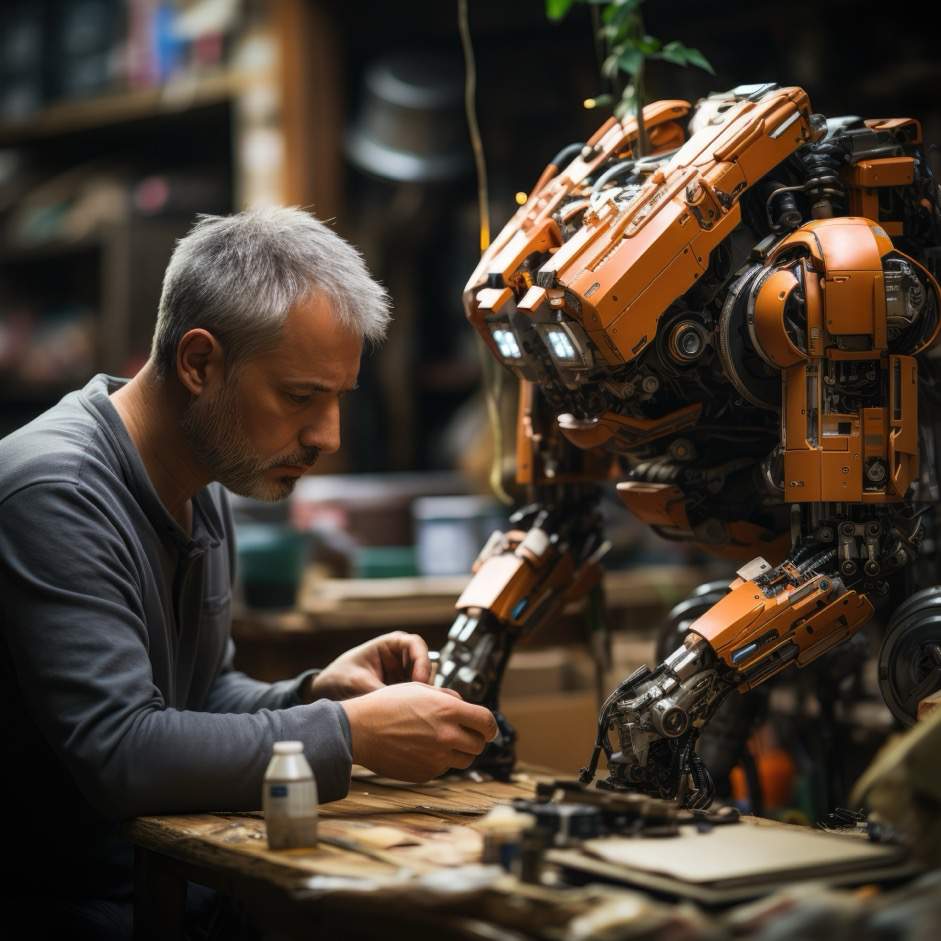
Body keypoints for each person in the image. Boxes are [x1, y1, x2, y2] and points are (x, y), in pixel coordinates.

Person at [0, 206, 498, 935]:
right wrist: (346, 731)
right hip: (63, 906)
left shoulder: (201, 479)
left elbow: (198, 695)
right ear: (199, 363)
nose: (326, 434)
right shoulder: (56, 490)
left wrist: (313, 689)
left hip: (160, 882)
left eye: (337, 398)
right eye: (300, 395)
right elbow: (123, 751)